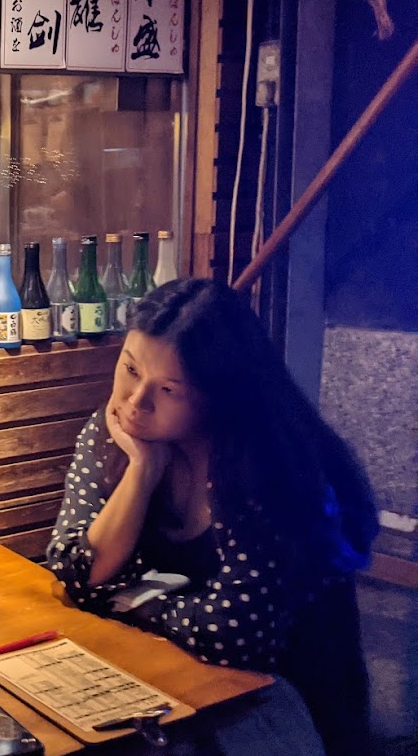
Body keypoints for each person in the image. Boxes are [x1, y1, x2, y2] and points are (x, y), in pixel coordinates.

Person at [47, 279, 378, 756]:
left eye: (168, 389)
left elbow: (232, 637)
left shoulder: (264, 467)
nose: (136, 401)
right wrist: (142, 471)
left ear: (217, 397)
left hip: (283, 704)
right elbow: (77, 573)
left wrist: (135, 602)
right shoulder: (114, 434)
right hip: (175, 685)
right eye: (131, 369)